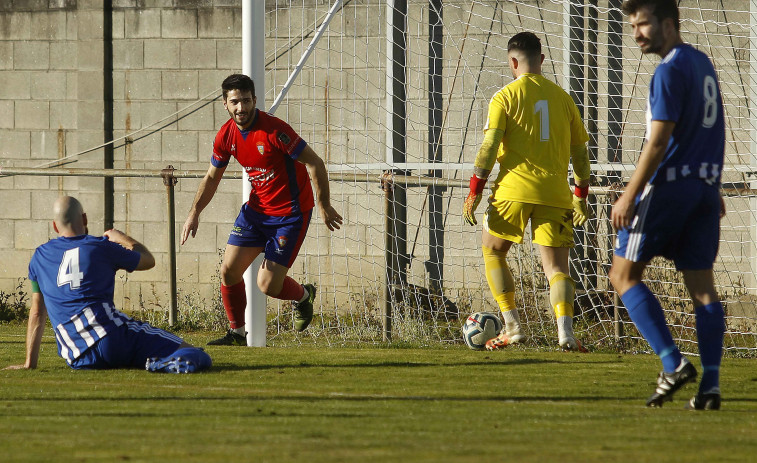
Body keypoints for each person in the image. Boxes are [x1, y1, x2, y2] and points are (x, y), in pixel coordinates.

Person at [610, 0, 726, 409]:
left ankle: (673, 362)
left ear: (668, 24)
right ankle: (710, 387)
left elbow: (658, 141)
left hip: (669, 188)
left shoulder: (669, 70)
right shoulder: (703, 64)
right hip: (705, 190)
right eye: (634, 26)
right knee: (703, 291)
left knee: (622, 275)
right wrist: (712, 185)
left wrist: (629, 193)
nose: (637, 33)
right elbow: (716, 128)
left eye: (643, 24)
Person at [182, 74, 343, 346]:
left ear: (254, 100)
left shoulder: (275, 131)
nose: (241, 108)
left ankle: (304, 295)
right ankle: (236, 333)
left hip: (290, 215)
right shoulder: (226, 135)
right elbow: (212, 177)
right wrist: (194, 212)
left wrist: (323, 205)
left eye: (246, 101)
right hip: (256, 213)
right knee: (229, 271)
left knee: (267, 285)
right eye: (235, 102)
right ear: (225, 104)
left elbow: (315, 163)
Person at [463, 31, 592, 352]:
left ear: (512, 61)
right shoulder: (564, 99)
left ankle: (512, 327)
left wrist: (475, 189)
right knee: (557, 269)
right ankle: (566, 335)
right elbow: (580, 155)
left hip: (512, 191)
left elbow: (489, 146)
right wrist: (580, 195)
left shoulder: (504, 97)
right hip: (555, 193)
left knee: (493, 251)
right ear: (542, 60)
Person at [4, 196, 211, 374]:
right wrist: (122, 238)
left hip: (77, 355)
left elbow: (37, 313)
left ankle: (152, 362)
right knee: (195, 353)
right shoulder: (100, 246)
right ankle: (160, 365)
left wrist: (29, 363)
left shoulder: (39, 256)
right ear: (84, 218)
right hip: (112, 337)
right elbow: (148, 260)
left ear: (55, 226)